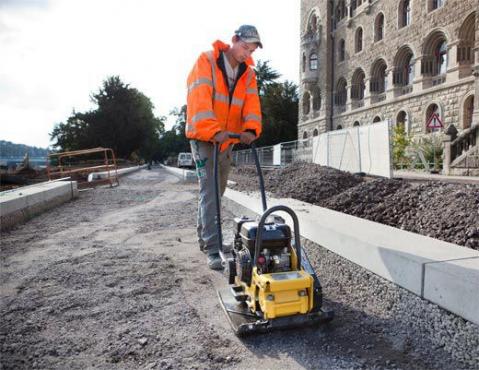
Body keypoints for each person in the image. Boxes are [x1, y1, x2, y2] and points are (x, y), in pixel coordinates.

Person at [186, 25, 263, 270]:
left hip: (227, 140)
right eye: (244, 47)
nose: (246, 53)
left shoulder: (248, 74)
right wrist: (213, 130)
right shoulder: (207, 60)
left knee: (216, 193)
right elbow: (199, 99)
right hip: (204, 138)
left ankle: (206, 238)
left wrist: (250, 130)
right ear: (234, 40)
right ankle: (212, 247)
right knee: (209, 192)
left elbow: (251, 103)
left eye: (250, 50)